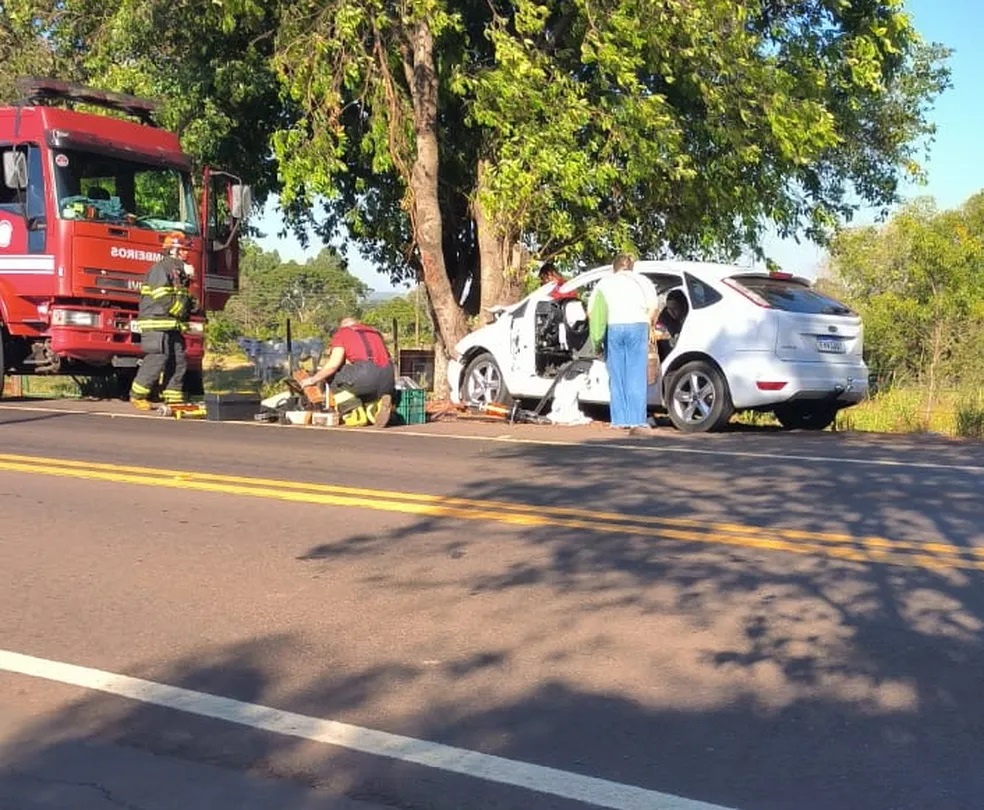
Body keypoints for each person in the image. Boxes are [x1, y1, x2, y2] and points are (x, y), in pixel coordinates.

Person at [587, 253, 659, 428]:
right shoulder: (644, 281)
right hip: (638, 326)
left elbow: (592, 312)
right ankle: (637, 420)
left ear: (615, 267)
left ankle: (619, 420)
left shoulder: (604, 283)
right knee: (636, 374)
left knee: (617, 375)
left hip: (614, 327)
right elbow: (654, 308)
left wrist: (597, 340)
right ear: (631, 267)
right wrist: (649, 323)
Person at [129, 232, 195, 410]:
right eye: (184, 250)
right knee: (157, 358)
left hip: (172, 324)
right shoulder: (161, 269)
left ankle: (173, 397)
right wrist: (180, 311)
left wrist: (192, 309)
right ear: (174, 250)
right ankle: (137, 396)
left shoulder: (179, 271)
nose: (187, 253)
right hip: (156, 322)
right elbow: (162, 296)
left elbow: (183, 297)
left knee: (178, 360)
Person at [299, 317, 396, 428]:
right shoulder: (374, 332)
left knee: (332, 376)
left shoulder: (342, 333)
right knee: (360, 384)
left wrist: (312, 380)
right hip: (389, 379)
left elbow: (333, 365)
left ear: (342, 327)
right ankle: (373, 410)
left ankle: (353, 412)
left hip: (366, 374)